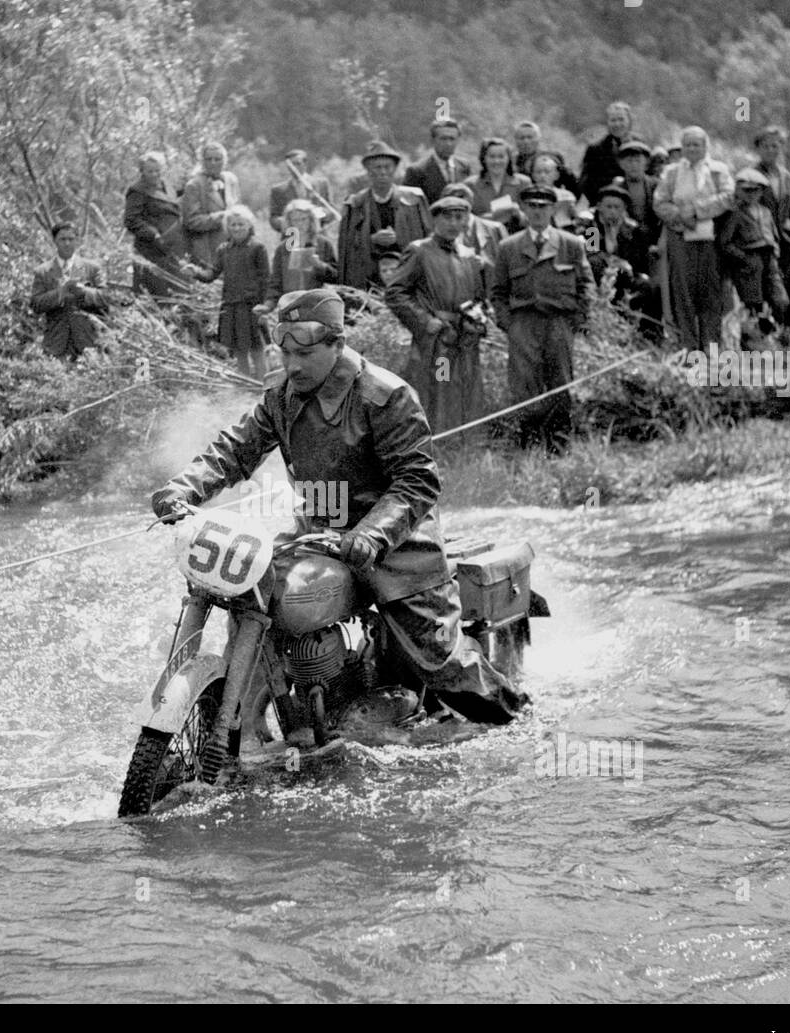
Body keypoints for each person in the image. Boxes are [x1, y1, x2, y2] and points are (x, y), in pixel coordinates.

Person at [149, 287, 528, 734]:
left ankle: (518, 717)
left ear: (337, 343)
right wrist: (184, 488)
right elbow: (235, 449)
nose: (293, 365)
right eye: (285, 351)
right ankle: (246, 725)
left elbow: (417, 481)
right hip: (319, 534)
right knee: (256, 595)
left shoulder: (385, 396)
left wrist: (371, 534)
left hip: (397, 547)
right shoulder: (281, 395)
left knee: (438, 660)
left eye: (305, 353)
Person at [491, 185, 596, 452]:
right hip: (523, 323)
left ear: (553, 209)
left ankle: (559, 443)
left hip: (559, 321)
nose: (537, 212)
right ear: (524, 210)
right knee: (524, 384)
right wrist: (509, 324)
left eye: (543, 207)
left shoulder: (571, 244)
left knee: (560, 380)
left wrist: (576, 320)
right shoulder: (508, 247)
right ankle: (530, 442)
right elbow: (498, 292)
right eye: (532, 206)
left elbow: (586, 285)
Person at [385, 194, 492, 437]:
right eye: (447, 218)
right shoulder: (419, 251)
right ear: (434, 220)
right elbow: (395, 293)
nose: (453, 223)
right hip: (438, 344)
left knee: (469, 392)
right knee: (440, 390)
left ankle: (467, 450)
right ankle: (438, 448)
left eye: (459, 217)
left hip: (465, 341)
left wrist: (480, 319)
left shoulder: (469, 256)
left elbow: (480, 298)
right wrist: (425, 322)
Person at [654, 125, 734, 352]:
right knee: (684, 294)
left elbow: (729, 197)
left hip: (712, 240)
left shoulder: (718, 170)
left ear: (705, 146)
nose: (691, 148)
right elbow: (659, 202)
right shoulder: (671, 172)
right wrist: (680, 216)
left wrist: (698, 210)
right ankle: (688, 349)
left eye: (696, 144)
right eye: (687, 144)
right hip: (681, 238)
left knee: (711, 296)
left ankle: (712, 350)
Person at [337, 139, 432, 291]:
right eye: (377, 167)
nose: (382, 172)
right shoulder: (355, 204)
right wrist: (370, 239)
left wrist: (399, 237)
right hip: (368, 279)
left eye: (387, 167)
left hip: (408, 277)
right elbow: (346, 249)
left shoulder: (414, 200)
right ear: (368, 170)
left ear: (395, 169)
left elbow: (427, 239)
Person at [193, 206, 270, 378]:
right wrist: (196, 273)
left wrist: (264, 307)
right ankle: (245, 383)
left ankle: (263, 383)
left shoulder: (258, 248)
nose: (236, 228)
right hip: (231, 305)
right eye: (233, 225)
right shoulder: (223, 250)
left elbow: (265, 279)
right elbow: (212, 274)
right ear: (228, 227)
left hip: (251, 306)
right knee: (238, 348)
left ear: (249, 225)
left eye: (241, 224)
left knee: (257, 346)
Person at [716, 169, 789, 349]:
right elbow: (725, 243)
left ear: (761, 192)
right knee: (752, 305)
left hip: (769, 260)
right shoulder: (735, 214)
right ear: (738, 191)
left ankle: (776, 336)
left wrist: (775, 256)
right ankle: (751, 345)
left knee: (780, 300)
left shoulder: (765, 212)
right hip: (749, 263)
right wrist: (743, 258)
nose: (751, 195)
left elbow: (774, 236)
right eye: (746, 190)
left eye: (755, 190)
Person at [29, 223, 109, 360]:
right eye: (62, 239)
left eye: (71, 239)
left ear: (77, 241)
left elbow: (106, 299)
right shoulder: (42, 271)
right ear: (55, 241)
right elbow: (36, 304)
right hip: (56, 343)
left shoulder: (93, 268)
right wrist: (60, 292)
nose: (67, 243)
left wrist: (84, 292)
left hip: (88, 342)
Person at [123, 151, 191, 300]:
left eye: (158, 170)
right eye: (150, 171)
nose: (154, 174)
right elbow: (131, 220)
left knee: (177, 289)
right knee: (154, 292)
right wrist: (154, 234)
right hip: (151, 249)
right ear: (142, 171)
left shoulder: (167, 184)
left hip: (173, 247)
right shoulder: (137, 190)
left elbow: (173, 200)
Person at [584, 184, 654, 327]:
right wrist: (614, 262)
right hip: (600, 274)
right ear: (599, 207)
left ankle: (647, 331)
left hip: (626, 276)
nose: (613, 211)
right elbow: (592, 253)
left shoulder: (634, 230)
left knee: (647, 285)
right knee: (595, 264)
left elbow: (639, 261)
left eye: (617, 207)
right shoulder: (592, 226)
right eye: (608, 207)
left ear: (624, 209)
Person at [753, 126, 790, 342]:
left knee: (786, 287)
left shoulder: (786, 177)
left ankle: (786, 336)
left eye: (775, 146)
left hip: (785, 241)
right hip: (761, 241)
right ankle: (762, 337)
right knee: (764, 289)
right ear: (758, 149)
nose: (771, 150)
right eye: (766, 146)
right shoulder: (752, 176)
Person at [261, 198, 337, 310]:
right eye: (295, 220)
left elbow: (336, 277)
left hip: (318, 305)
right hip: (291, 305)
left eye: (303, 219)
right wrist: (268, 305)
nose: (299, 224)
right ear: (289, 222)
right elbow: (275, 282)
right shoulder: (283, 248)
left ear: (311, 220)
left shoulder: (323, 244)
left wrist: (319, 265)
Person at [181, 140, 242, 267]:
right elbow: (191, 221)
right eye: (209, 159)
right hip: (208, 249)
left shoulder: (231, 180)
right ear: (203, 162)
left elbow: (239, 209)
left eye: (217, 159)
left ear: (224, 161)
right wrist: (222, 217)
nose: (213, 163)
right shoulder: (194, 185)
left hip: (235, 247)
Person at [579, 101, 637, 206]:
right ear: (607, 123)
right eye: (613, 120)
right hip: (606, 204)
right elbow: (585, 183)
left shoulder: (640, 145)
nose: (617, 124)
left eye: (621, 119)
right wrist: (611, 184)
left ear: (629, 121)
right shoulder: (595, 149)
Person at [403, 119, 475, 204]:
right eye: (443, 139)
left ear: (457, 140)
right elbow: (410, 207)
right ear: (433, 140)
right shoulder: (417, 171)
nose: (448, 144)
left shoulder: (464, 167)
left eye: (452, 139)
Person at [469, 137, 529, 231]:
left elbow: (532, 219)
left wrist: (517, 213)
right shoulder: (470, 185)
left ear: (509, 159)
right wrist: (494, 216)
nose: (496, 161)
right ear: (484, 158)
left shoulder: (523, 183)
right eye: (492, 157)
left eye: (501, 157)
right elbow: (466, 221)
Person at [442, 181, 508, 264]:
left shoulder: (496, 229)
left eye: (461, 197)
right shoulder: (440, 235)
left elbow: (509, 264)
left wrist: (485, 264)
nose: (457, 202)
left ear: (471, 200)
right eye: (450, 199)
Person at [268, 149, 333, 232]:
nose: (294, 168)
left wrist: (318, 214)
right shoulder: (278, 190)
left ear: (305, 164)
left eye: (298, 164)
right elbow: (273, 218)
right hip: (291, 237)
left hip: (317, 235)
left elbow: (331, 211)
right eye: (291, 165)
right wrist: (288, 222)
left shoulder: (322, 184)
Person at [614, 140, 661, 252]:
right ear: (621, 164)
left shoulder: (658, 186)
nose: (633, 165)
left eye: (638, 161)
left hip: (655, 244)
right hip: (626, 245)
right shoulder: (615, 189)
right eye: (629, 161)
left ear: (646, 163)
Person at [530, 153, 578, 230]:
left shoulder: (566, 195)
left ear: (556, 175)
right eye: (538, 172)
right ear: (533, 175)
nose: (542, 176)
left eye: (547, 172)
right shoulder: (527, 194)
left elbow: (574, 216)